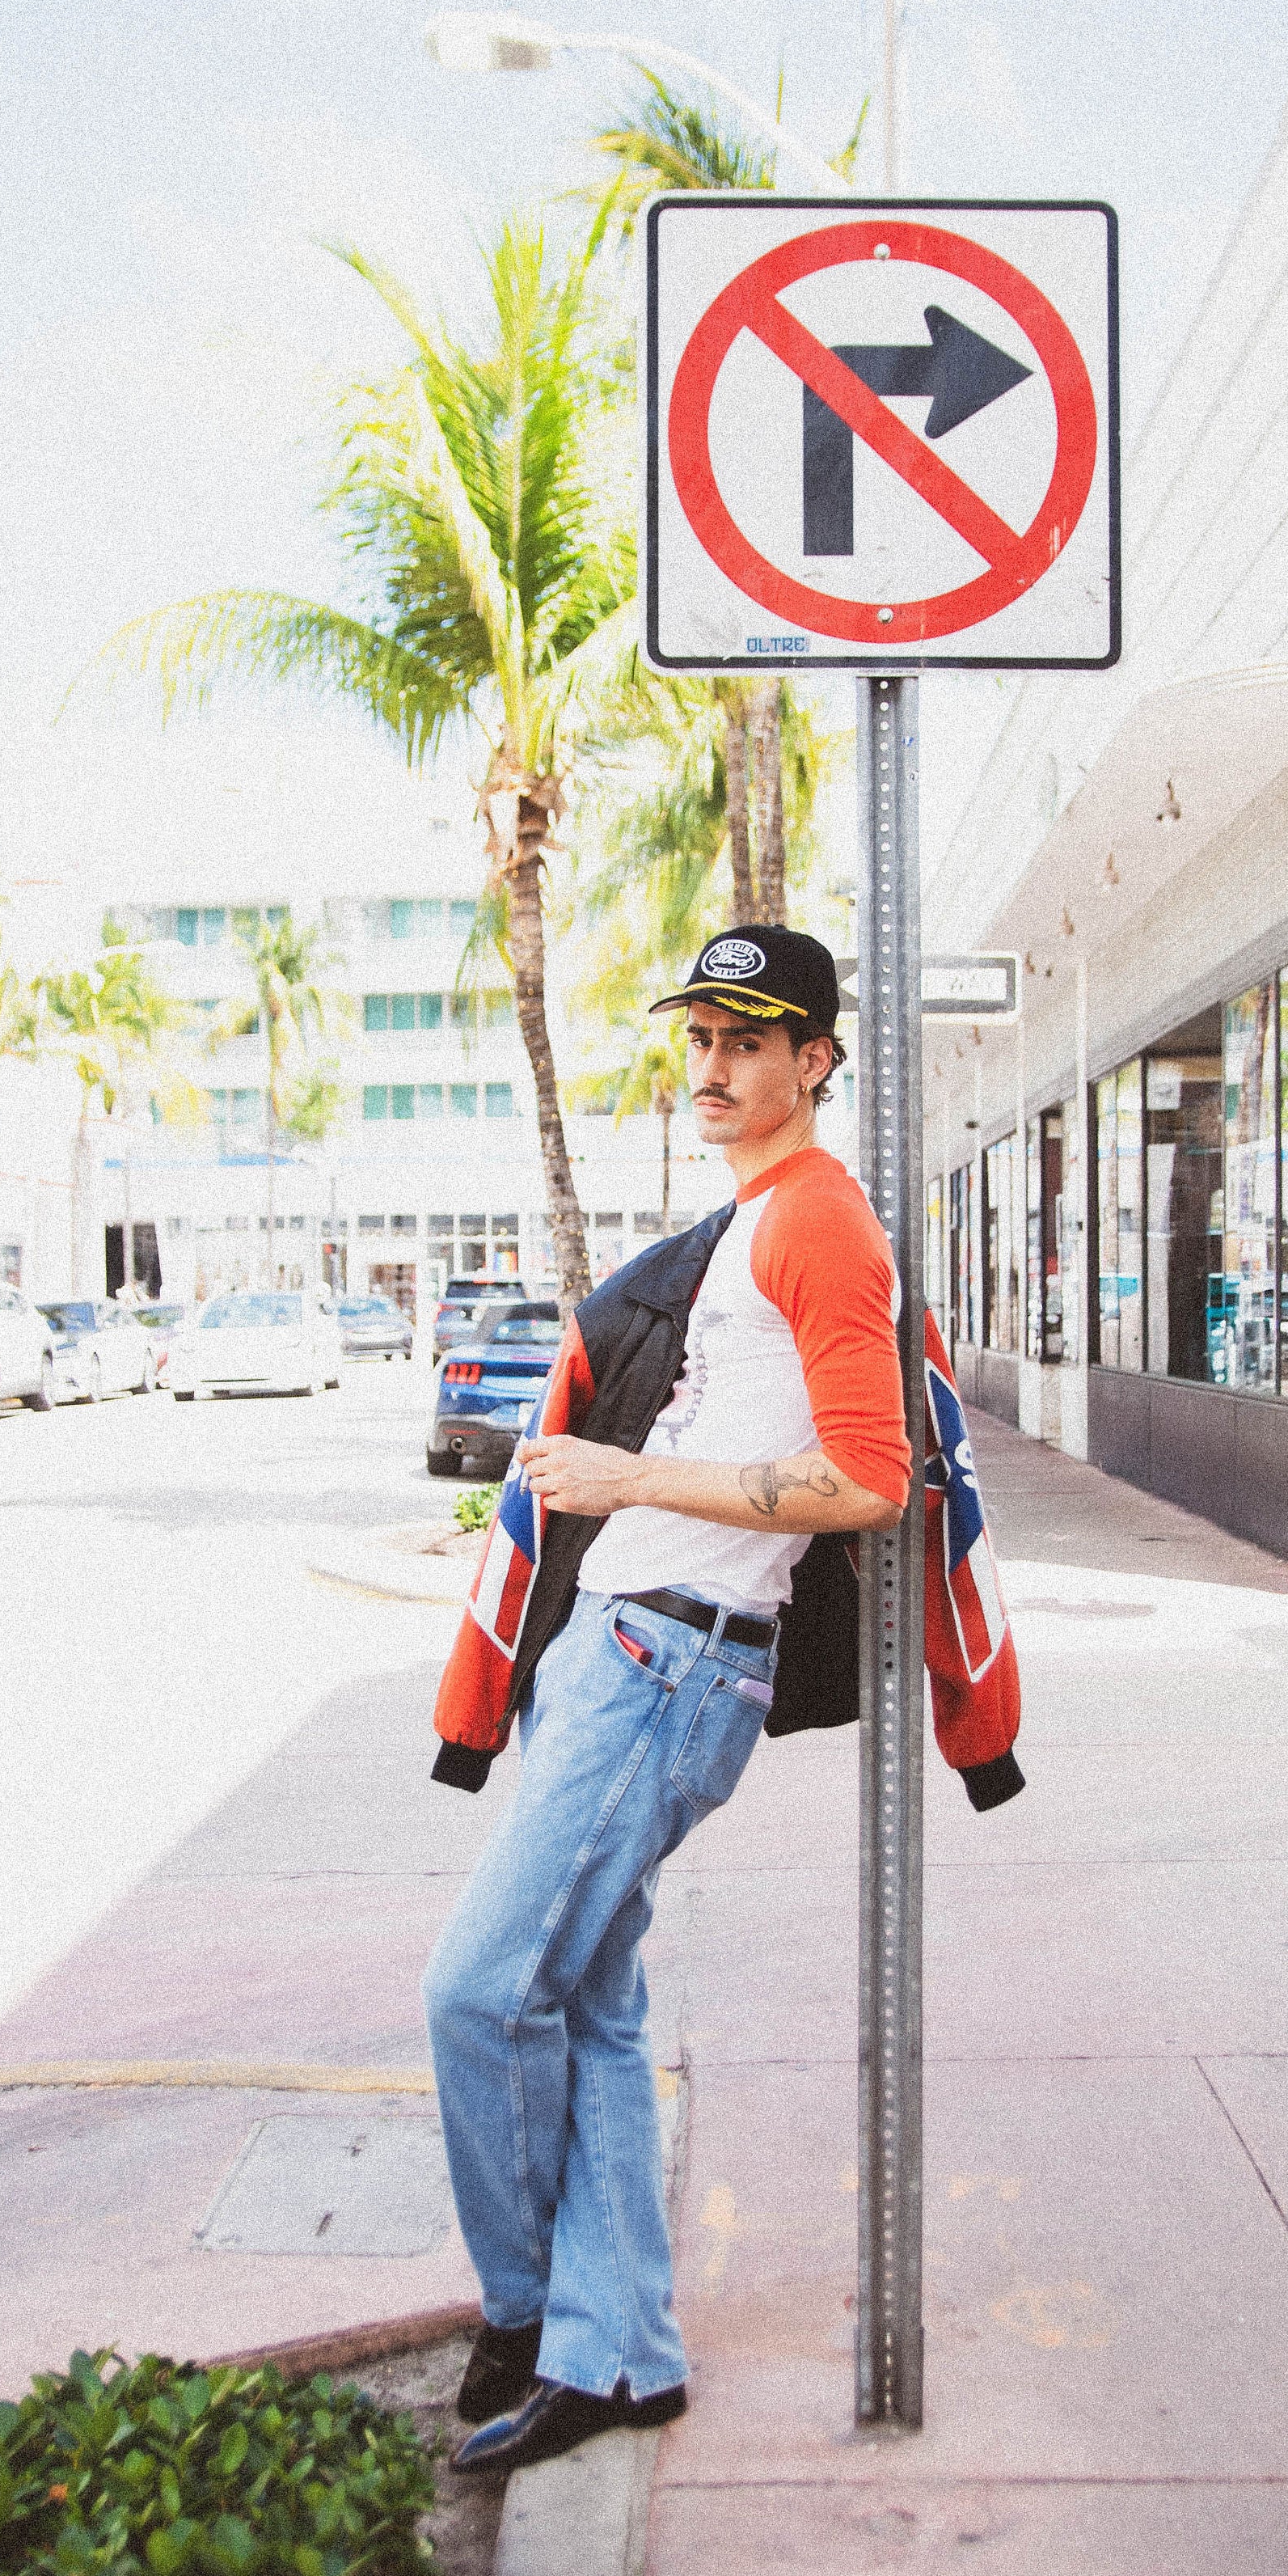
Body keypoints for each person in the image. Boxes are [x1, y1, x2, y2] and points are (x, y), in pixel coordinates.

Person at [423, 926, 1022, 2477]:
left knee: (482, 1991)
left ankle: (524, 2313)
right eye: (698, 1038)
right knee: (595, 2007)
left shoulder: (821, 1221)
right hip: (620, 1644)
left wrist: (630, 1477)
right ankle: (618, 2356)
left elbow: (870, 1480)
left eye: (748, 1041)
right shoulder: (759, 1214)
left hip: (670, 1660)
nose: (712, 1068)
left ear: (815, 1059)